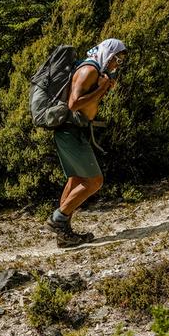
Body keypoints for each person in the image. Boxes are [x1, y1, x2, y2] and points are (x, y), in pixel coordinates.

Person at [46, 38, 127, 247]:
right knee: (94, 181)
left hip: (72, 130)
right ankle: (58, 219)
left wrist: (104, 85)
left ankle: (64, 236)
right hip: (70, 130)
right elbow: (74, 104)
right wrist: (103, 88)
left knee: (76, 180)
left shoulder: (95, 71)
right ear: (109, 54)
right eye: (117, 59)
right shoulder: (89, 70)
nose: (117, 64)